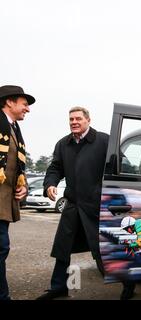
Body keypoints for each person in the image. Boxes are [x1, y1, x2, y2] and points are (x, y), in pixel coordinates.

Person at [36, 107, 113, 299]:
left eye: (78, 118)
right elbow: (55, 168)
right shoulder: (63, 144)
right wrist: (50, 184)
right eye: (71, 119)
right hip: (72, 204)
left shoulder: (104, 141)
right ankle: (58, 287)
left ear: (88, 120)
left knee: (103, 250)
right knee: (63, 247)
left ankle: (128, 283)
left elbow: (120, 167)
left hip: (96, 207)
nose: (74, 122)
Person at [0, 85, 35, 300]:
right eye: (24, 104)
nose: (27, 109)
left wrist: (23, 186)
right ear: (9, 102)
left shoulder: (13, 129)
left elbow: (14, 168)